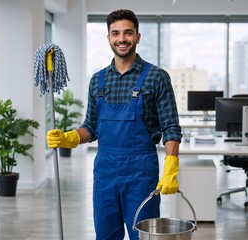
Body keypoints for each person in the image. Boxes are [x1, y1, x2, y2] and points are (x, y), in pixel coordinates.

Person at [46, 9, 182, 240]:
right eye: (115, 33)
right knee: (106, 235)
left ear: (137, 37)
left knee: (144, 235)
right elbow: (91, 126)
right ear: (108, 37)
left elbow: (171, 127)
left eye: (128, 33)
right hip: (105, 172)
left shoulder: (157, 77)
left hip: (141, 172)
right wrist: (70, 138)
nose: (122, 39)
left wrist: (171, 165)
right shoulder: (98, 80)